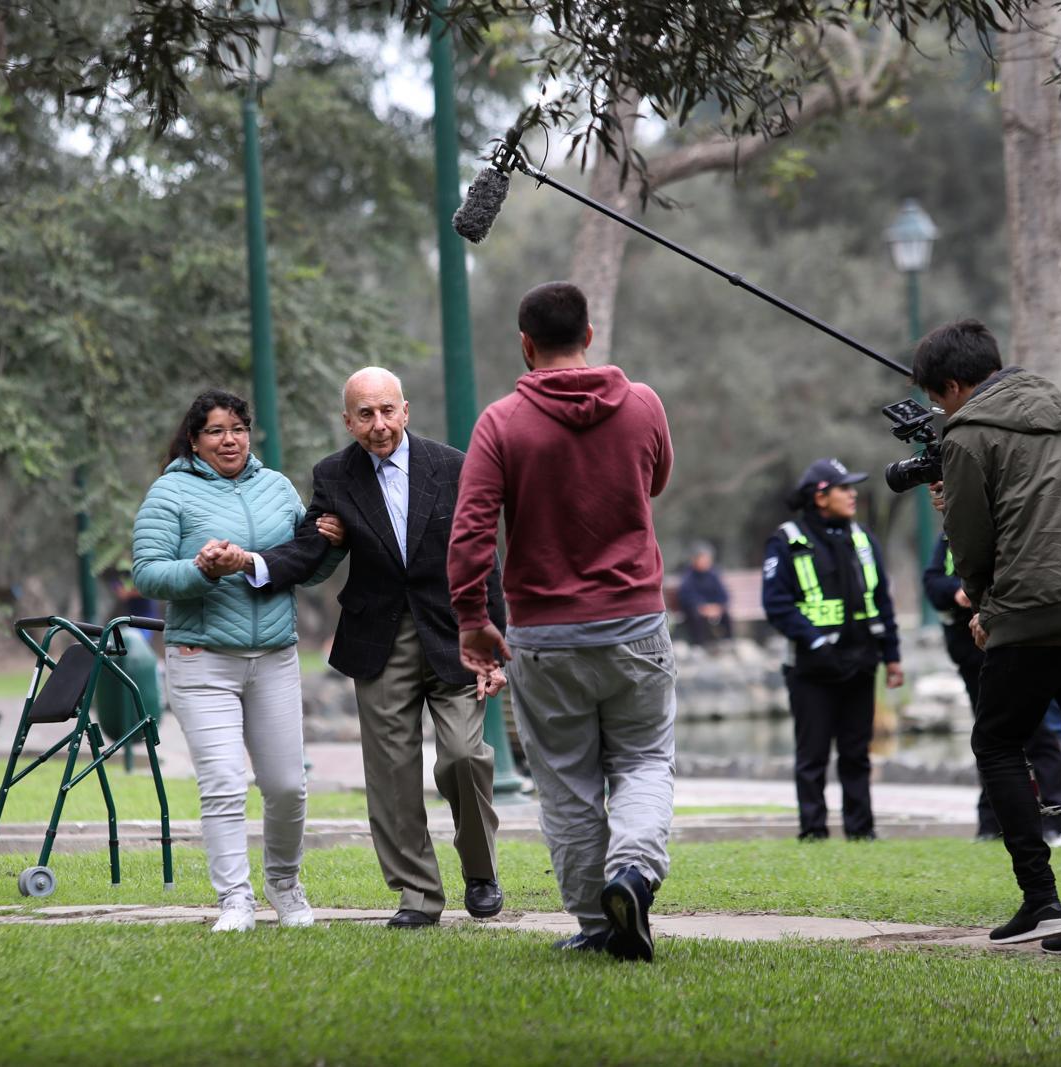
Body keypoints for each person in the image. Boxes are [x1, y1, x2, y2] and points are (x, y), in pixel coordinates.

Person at [448, 281, 675, 963]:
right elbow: (654, 480)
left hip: (545, 637)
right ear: (589, 334)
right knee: (644, 759)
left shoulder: (502, 422)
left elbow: (471, 533)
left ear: (526, 344)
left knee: (566, 782)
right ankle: (632, 872)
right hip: (635, 624)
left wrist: (472, 619)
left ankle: (598, 922)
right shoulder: (643, 405)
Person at [247, 367, 509, 929]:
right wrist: (255, 565)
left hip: (454, 633)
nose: (379, 424)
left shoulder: (453, 466)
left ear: (405, 411)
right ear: (349, 421)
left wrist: (493, 639)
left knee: (464, 756)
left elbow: (482, 556)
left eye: (388, 410)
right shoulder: (333, 476)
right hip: (379, 639)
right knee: (391, 772)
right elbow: (311, 551)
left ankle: (481, 871)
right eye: (365, 414)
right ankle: (417, 895)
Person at [916, 318, 1061, 956]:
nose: (941, 411)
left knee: (996, 741)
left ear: (954, 386)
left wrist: (983, 606)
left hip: (1033, 613)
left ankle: (1040, 900)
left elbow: (972, 542)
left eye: (938, 399)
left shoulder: (966, 432)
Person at [131, 389, 338, 933]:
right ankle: (235, 900)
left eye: (238, 429)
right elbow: (147, 572)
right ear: (194, 440)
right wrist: (201, 570)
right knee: (223, 782)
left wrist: (333, 545)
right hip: (202, 661)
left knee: (287, 785)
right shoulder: (170, 491)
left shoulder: (277, 488)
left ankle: (285, 885)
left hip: (274, 658)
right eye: (216, 431)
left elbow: (303, 566)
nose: (230, 440)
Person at [761, 459, 903, 842]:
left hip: (861, 662)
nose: (853, 494)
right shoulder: (787, 540)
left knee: (857, 753)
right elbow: (776, 604)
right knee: (813, 755)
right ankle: (813, 832)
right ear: (821, 497)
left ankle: (862, 831)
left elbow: (881, 601)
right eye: (844, 488)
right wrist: (815, 641)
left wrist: (892, 656)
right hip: (811, 667)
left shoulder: (863, 538)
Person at [923, 532, 1061, 841]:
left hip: (1018, 646)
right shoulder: (950, 535)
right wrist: (957, 592)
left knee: (1036, 733)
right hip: (972, 656)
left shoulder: (1006, 525)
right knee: (989, 737)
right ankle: (992, 823)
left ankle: (1054, 820)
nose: (938, 504)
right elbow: (932, 582)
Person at [677, 543, 733, 647]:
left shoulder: (714, 575)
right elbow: (686, 597)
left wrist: (717, 607)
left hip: (713, 608)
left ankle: (728, 642)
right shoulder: (688, 577)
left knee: (726, 614)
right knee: (695, 615)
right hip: (697, 609)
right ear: (694, 560)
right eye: (702, 558)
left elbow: (723, 594)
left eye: (707, 559)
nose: (706, 561)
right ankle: (699, 645)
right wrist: (703, 607)